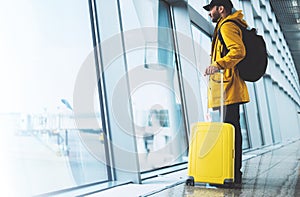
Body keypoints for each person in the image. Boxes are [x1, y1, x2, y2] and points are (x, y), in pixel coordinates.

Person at [203, 0, 250, 186]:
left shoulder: (227, 26)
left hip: (228, 87)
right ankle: (232, 174)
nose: (209, 13)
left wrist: (217, 64)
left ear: (220, 8)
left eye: (211, 9)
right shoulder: (228, 25)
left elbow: (238, 51)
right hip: (229, 86)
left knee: (230, 131)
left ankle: (230, 175)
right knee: (232, 130)